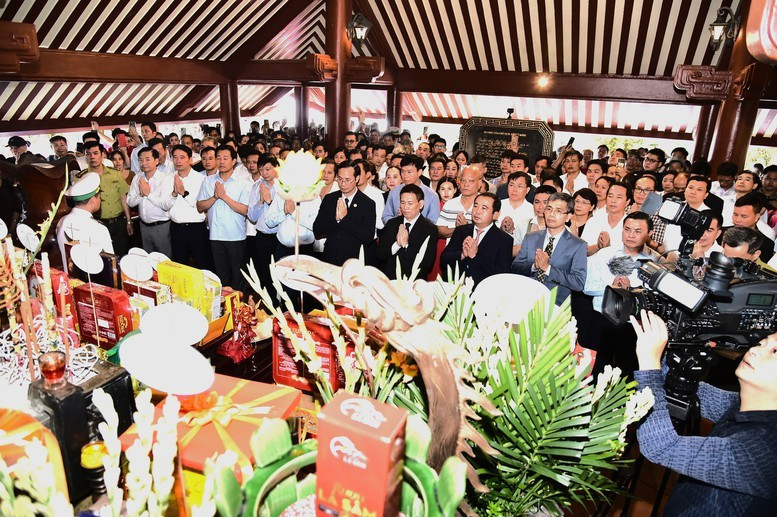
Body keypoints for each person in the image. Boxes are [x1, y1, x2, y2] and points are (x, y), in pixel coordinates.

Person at [631, 311, 777, 515]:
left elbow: (660, 445)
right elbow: (678, 388)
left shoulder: (764, 454)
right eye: (762, 343)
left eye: (775, 351)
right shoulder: (745, 404)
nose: (755, 350)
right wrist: (665, 340)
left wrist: (649, 361)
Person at [584, 211, 656, 375]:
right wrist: (610, 287)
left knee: (628, 374)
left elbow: (655, 296)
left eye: (637, 231)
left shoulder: (655, 261)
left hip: (634, 325)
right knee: (596, 373)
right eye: (627, 229)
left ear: (649, 233)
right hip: (602, 320)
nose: (631, 235)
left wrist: (632, 291)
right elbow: (586, 287)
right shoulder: (605, 254)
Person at [512, 192, 587, 304]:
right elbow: (515, 267)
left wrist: (548, 269)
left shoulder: (577, 245)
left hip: (555, 305)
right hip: (526, 300)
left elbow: (578, 283)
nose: (551, 214)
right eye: (549, 209)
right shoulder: (531, 237)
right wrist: (534, 266)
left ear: (568, 217)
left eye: (558, 211)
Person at [196, 145, 252, 291]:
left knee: (239, 277)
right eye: (218, 158)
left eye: (225, 158)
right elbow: (200, 206)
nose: (221, 161)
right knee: (221, 278)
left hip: (236, 236)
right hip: (215, 236)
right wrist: (215, 197)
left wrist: (224, 197)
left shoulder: (243, 183)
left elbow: (245, 210)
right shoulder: (208, 181)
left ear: (233, 161)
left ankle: (240, 303)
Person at [440, 193, 513, 287]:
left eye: (484, 208)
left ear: (495, 215)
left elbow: (502, 274)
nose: (477, 211)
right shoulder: (461, 230)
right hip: (454, 288)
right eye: (475, 206)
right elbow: (444, 260)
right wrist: (462, 255)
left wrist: (475, 256)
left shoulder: (504, 240)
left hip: (482, 290)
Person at [313, 161, 377, 266]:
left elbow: (368, 237)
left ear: (357, 178)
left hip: (354, 262)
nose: (343, 183)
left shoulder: (367, 203)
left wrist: (344, 219)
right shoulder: (330, 199)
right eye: (340, 179)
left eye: (347, 180)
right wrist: (336, 220)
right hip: (330, 259)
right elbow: (317, 230)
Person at [76, 141, 132, 256]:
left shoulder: (115, 174)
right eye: (88, 154)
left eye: (95, 153)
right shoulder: (82, 178)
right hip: (97, 224)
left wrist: (129, 221)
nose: (92, 157)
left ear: (102, 155)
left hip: (118, 223)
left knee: (122, 255)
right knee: (103, 257)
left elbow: (123, 198)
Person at [377, 184, 438, 280]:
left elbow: (427, 263)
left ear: (421, 204)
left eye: (410, 203)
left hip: (414, 281)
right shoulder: (392, 223)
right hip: (390, 280)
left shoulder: (430, 229)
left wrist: (406, 245)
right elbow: (380, 254)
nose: (405, 207)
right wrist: (397, 245)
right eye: (402, 203)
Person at [167, 145, 212, 270]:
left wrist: (184, 193)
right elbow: (164, 205)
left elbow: (200, 205)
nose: (178, 161)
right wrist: (173, 194)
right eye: (175, 157)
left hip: (196, 228)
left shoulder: (201, 179)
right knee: (179, 266)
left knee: (203, 264)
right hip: (176, 228)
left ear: (190, 160)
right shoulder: (168, 178)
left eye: (182, 157)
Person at [56, 173, 114, 264]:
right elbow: (110, 264)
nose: (100, 200)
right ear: (93, 200)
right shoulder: (99, 229)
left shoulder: (62, 221)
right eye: (99, 197)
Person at [126, 147, 174, 256]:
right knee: (148, 259)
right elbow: (130, 202)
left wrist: (148, 194)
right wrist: (141, 194)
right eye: (140, 160)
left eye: (148, 159)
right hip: (143, 226)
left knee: (165, 259)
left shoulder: (165, 178)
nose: (143, 163)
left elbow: (165, 205)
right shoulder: (137, 178)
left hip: (161, 227)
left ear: (156, 161)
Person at [382, 155, 440, 225]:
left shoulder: (431, 195)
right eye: (403, 171)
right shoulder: (394, 192)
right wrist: (398, 222)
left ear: (419, 172)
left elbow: (433, 222)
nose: (405, 175)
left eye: (409, 172)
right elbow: (386, 216)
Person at [581, 181, 631, 256]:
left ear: (627, 202)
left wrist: (608, 247)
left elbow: (630, 257)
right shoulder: (594, 221)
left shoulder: (631, 226)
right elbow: (582, 251)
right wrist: (598, 246)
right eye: (610, 196)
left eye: (619, 197)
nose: (613, 201)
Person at [496, 172, 535, 256]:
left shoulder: (532, 211)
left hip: (519, 254)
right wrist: (500, 229)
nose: (514, 189)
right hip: (495, 248)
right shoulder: (497, 205)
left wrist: (513, 231)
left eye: (519, 186)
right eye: (511, 185)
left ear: (527, 190)